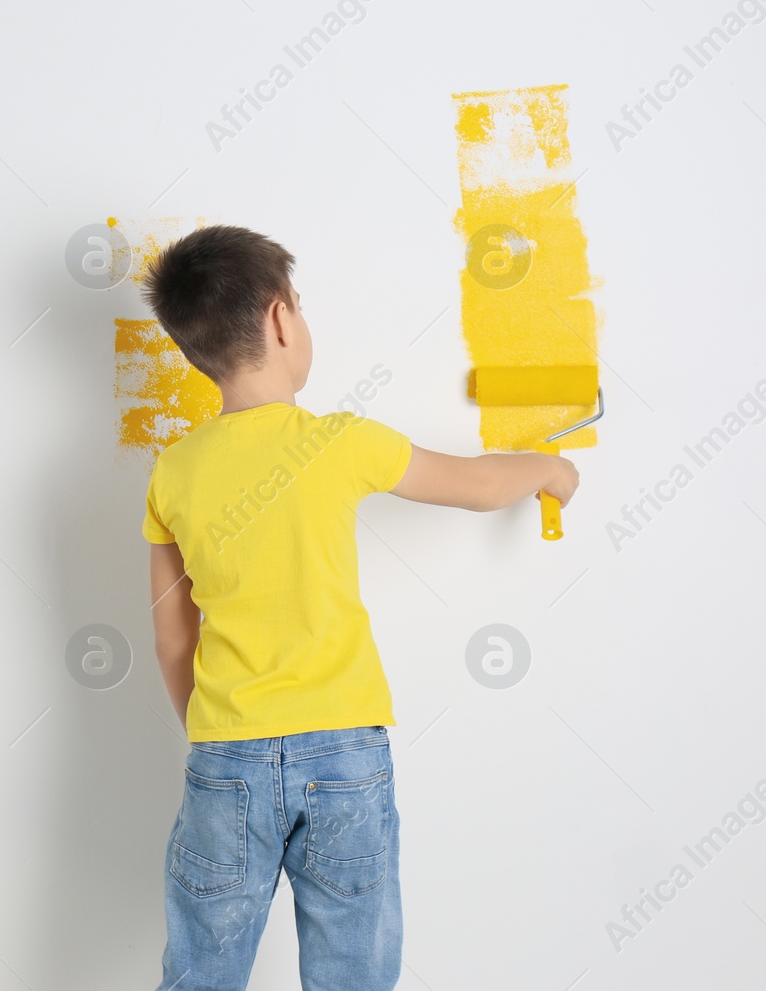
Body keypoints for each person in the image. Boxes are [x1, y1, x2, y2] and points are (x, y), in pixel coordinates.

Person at [140, 225, 580, 990]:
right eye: (300, 307)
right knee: (354, 972)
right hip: (343, 758)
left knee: (200, 973)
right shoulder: (337, 442)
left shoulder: (172, 472)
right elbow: (477, 487)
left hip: (226, 757)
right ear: (281, 319)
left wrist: (218, 738)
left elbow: (173, 638)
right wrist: (549, 467)